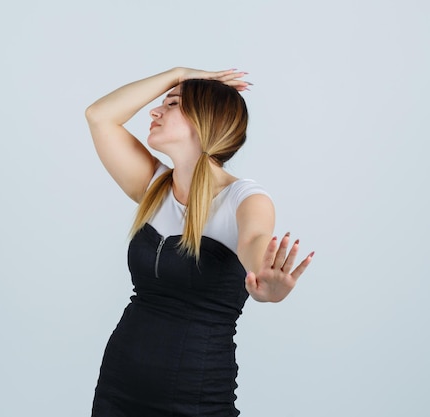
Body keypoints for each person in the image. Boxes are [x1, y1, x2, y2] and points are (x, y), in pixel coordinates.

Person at [85, 67, 314, 417]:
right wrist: (178, 73)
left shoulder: (245, 198)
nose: (154, 111)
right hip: (119, 388)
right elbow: (99, 116)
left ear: (203, 119)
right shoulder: (154, 186)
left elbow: (254, 242)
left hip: (195, 398)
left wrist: (265, 279)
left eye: (172, 104)